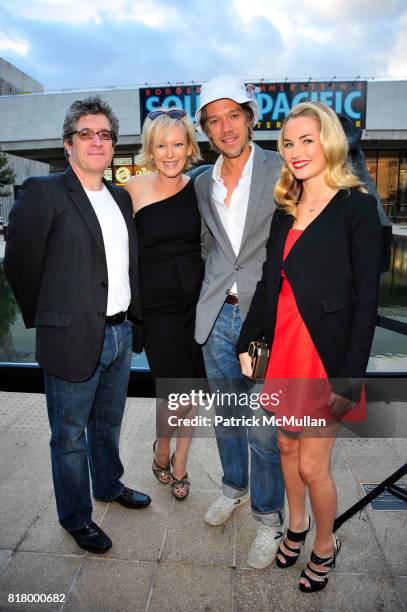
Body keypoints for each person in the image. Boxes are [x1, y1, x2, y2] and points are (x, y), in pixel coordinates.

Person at [238, 101, 382, 591]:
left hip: (324, 357)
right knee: (283, 444)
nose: (296, 152)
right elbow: (267, 286)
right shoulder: (286, 210)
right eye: (288, 143)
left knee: (311, 463)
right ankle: (295, 525)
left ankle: (326, 543)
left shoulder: (357, 207)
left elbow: (366, 303)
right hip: (283, 351)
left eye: (307, 140)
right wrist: (249, 339)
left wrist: (349, 378)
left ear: (330, 142)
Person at [4, 96, 151, 555]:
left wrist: (134, 322)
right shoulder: (45, 193)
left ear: (112, 146)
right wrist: (50, 320)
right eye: (86, 133)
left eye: (104, 134)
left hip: (120, 333)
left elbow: (127, 265)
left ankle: (108, 484)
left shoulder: (121, 197)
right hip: (70, 338)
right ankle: (76, 517)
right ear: (68, 144)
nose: (96, 141)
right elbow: (21, 266)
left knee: (108, 423)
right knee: (68, 435)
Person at [194, 75, 285, 568]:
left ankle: (270, 519)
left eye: (233, 115)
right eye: (214, 119)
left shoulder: (280, 168)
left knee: (264, 429)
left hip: (263, 320)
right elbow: (210, 248)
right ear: (206, 129)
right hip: (217, 318)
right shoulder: (201, 182)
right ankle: (234, 487)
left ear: (250, 117)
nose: (225, 127)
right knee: (228, 416)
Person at [126, 108, 205, 500]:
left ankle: (179, 463)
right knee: (175, 394)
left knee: (193, 392)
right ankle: (161, 447)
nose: (170, 153)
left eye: (177, 144)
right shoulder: (133, 189)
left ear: (189, 146)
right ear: (150, 150)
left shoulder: (200, 188)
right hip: (157, 311)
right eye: (161, 145)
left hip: (198, 305)